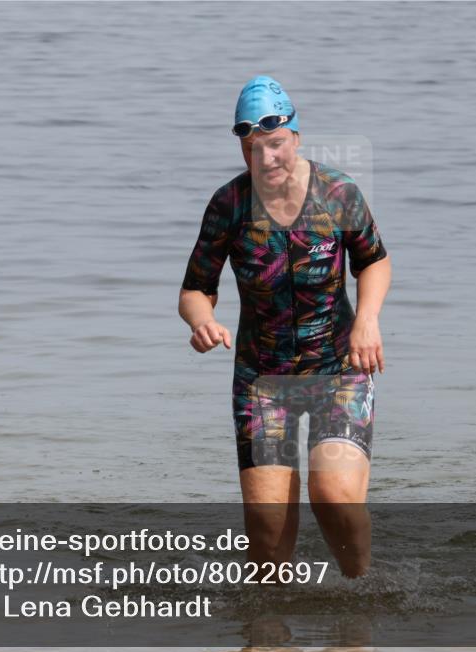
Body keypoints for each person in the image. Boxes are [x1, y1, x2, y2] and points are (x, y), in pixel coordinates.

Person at [179, 76, 391, 577]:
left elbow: (374, 262)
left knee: (334, 496)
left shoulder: (339, 193)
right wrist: (202, 320)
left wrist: (367, 321)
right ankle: (266, 639)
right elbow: (194, 288)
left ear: (295, 137)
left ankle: (361, 594)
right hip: (262, 380)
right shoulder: (228, 206)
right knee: (268, 532)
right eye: (254, 148)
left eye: (275, 144)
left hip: (338, 368)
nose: (267, 158)